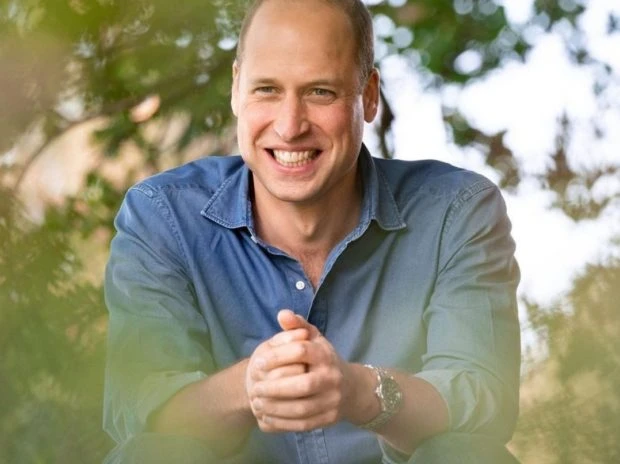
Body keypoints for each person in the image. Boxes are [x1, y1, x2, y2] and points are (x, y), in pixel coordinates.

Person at [103, 0, 521, 462]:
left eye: (320, 92)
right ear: (236, 89)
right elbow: (142, 409)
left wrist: (359, 391)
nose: (289, 126)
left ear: (368, 96)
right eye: (266, 89)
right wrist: (251, 385)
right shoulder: (163, 216)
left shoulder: (454, 213)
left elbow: (483, 402)